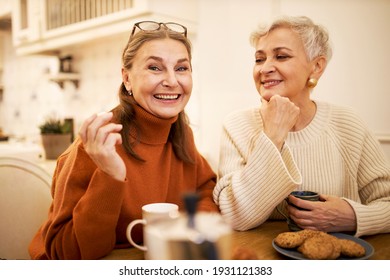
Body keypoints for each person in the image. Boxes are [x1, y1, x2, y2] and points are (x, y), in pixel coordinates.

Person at [29, 21, 218, 260]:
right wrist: (110, 176)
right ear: (127, 78)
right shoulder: (96, 145)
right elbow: (64, 255)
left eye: (181, 68)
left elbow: (204, 189)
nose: (172, 81)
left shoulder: (181, 133)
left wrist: (192, 231)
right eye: (155, 68)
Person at [213, 16, 390, 237]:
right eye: (259, 59)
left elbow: (387, 202)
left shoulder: (348, 124)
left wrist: (353, 216)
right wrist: (273, 135)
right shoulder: (236, 125)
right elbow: (235, 216)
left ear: (316, 66)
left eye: (281, 56)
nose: (265, 68)